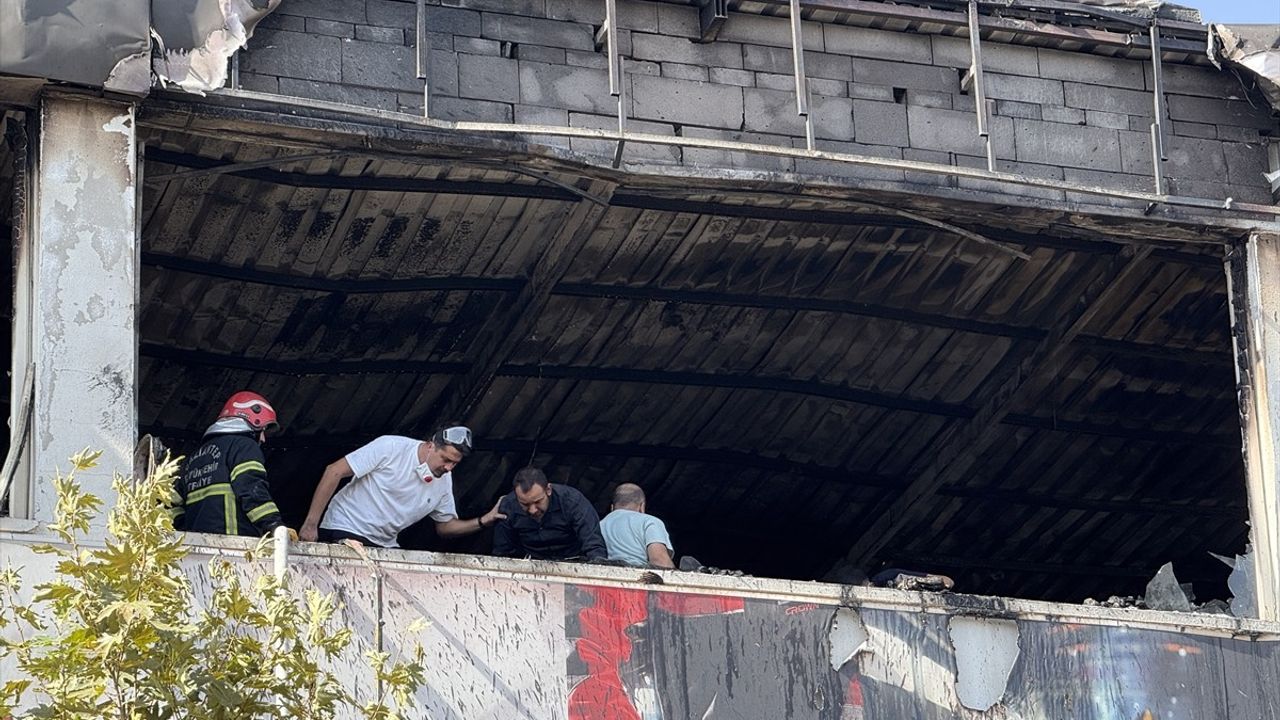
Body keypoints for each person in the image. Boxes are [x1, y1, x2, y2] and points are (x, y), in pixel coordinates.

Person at [299, 424, 503, 548]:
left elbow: (445, 527)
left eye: (455, 463)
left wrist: (484, 520)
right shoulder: (391, 447)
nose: (449, 467)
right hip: (344, 527)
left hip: (385, 544)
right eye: (445, 459)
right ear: (431, 445)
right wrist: (310, 524)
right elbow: (334, 471)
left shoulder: (444, 480)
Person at [171, 391, 284, 537]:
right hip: (233, 547)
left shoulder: (193, 458)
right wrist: (274, 525)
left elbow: (170, 504)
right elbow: (251, 488)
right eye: (262, 430)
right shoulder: (244, 446)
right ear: (252, 420)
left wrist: (186, 530)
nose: (263, 439)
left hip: (194, 548)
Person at [492, 468, 606, 561]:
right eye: (525, 504)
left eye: (538, 502)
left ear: (548, 490)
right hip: (530, 566)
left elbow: (593, 544)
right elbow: (502, 552)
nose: (533, 510)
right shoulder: (508, 506)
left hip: (574, 562)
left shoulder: (572, 502)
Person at [599, 483, 674, 568]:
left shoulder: (599, 525)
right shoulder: (649, 521)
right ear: (642, 506)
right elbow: (660, 561)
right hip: (639, 578)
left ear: (612, 508)